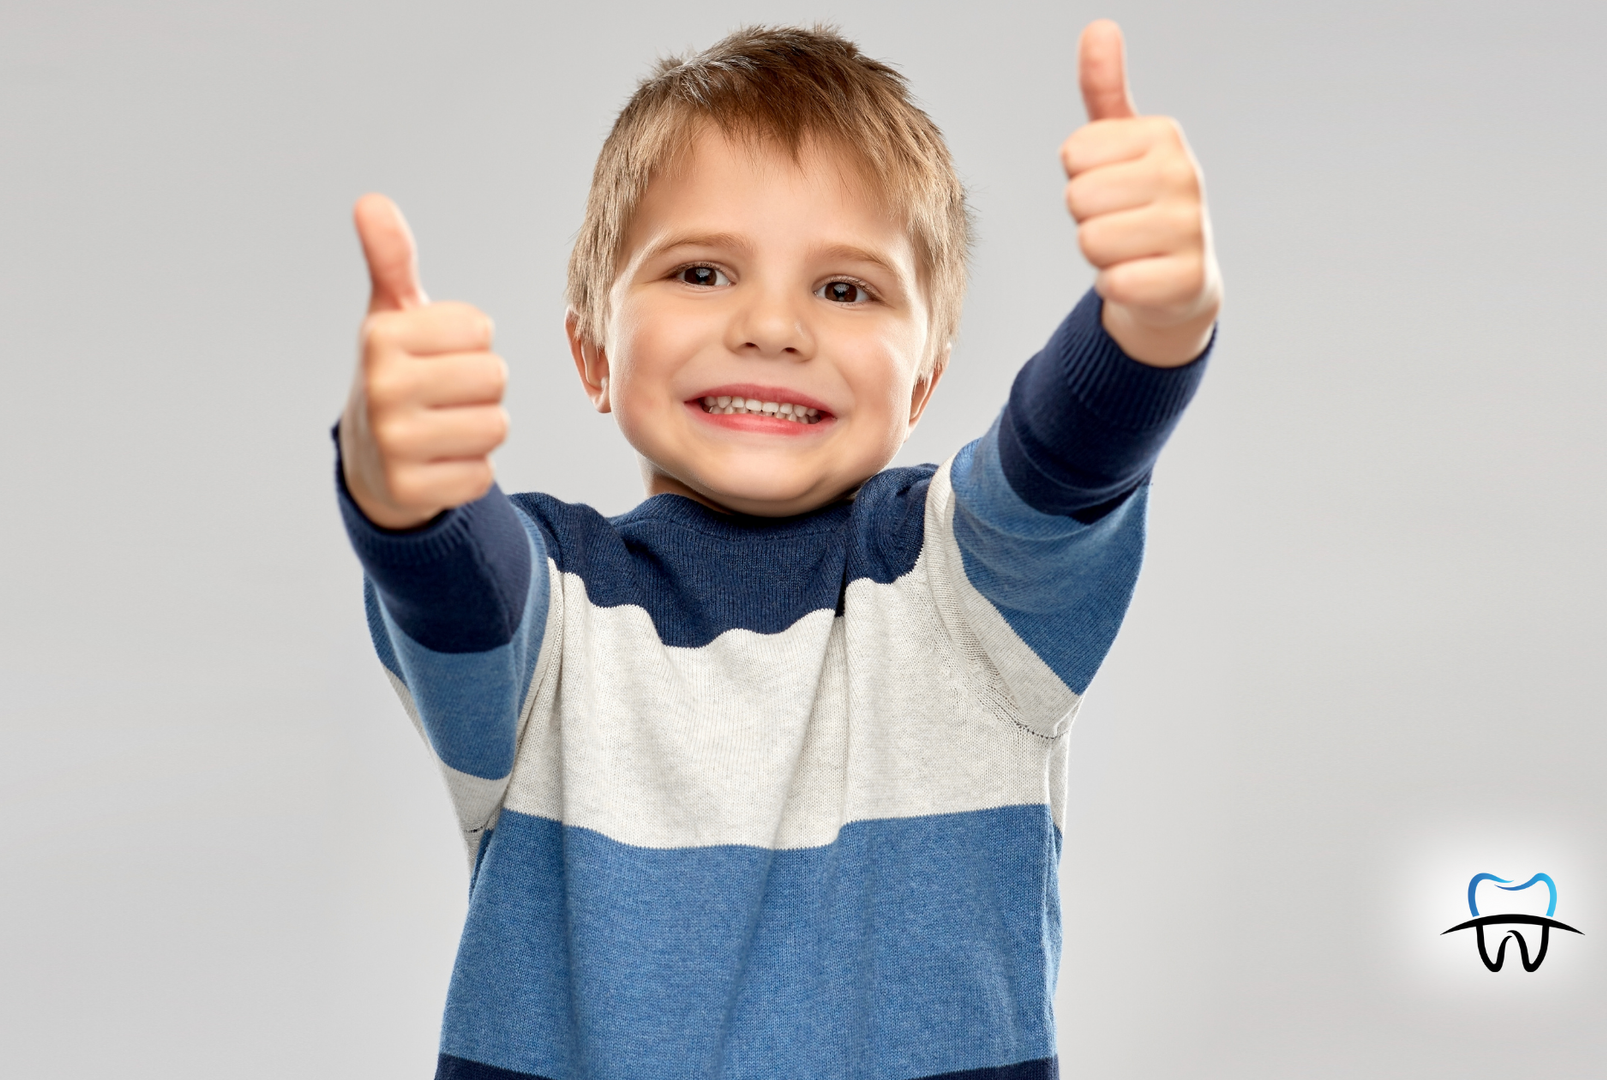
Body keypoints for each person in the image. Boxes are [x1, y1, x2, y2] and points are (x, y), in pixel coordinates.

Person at [333, 20, 1219, 1080]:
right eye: (703, 272)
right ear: (592, 350)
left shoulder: (966, 588)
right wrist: (398, 474)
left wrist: (1151, 326)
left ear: (925, 384)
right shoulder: (555, 615)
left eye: (846, 290)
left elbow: (1066, 458)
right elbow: (455, 573)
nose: (770, 325)